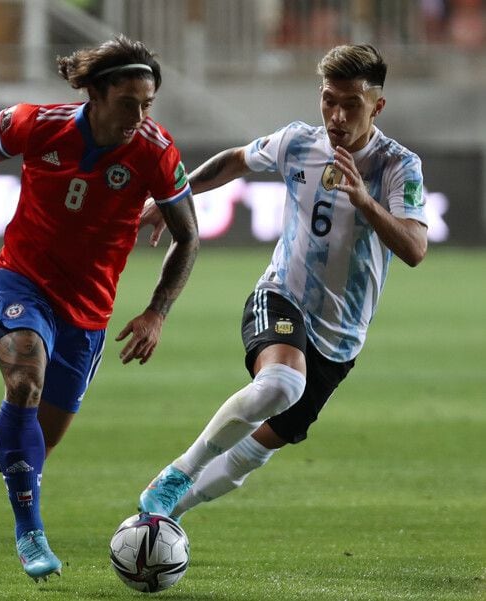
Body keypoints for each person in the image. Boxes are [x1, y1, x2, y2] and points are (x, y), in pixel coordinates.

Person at [0, 35, 201, 581]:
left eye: (148, 105)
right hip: (22, 280)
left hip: (88, 310)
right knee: (23, 382)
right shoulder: (38, 124)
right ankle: (30, 536)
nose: (139, 116)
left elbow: (188, 236)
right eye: (129, 102)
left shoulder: (155, 150)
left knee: (31, 447)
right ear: (96, 93)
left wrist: (156, 311)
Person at [138, 44, 428, 522]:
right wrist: (176, 196)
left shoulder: (399, 166)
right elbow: (235, 160)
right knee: (281, 385)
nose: (336, 115)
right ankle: (178, 473)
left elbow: (415, 248)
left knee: (254, 454)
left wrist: (365, 201)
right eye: (328, 100)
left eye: (350, 104)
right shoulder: (297, 142)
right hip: (281, 296)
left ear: (376, 106)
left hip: (341, 337)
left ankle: (162, 519)